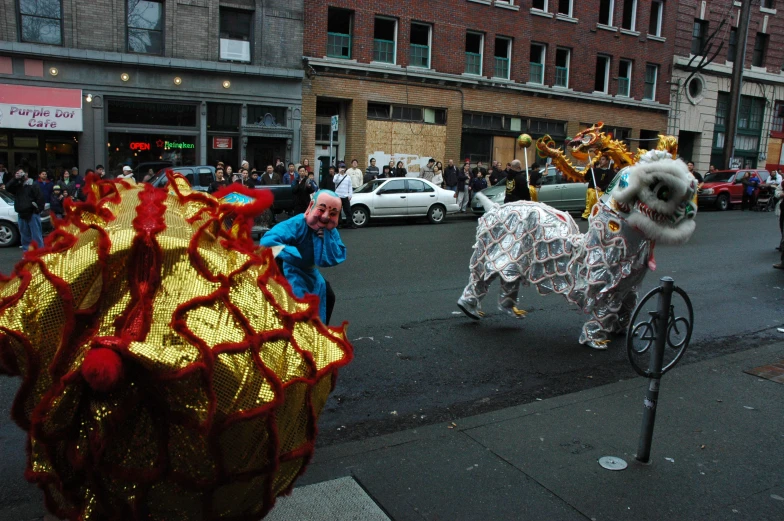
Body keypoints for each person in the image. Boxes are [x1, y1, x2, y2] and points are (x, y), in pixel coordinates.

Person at [260, 190, 346, 324]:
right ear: (311, 206)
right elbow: (267, 240)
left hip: (309, 270)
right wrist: (291, 252)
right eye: (321, 209)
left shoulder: (329, 230)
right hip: (288, 267)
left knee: (328, 296)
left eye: (333, 214)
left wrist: (327, 240)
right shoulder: (296, 224)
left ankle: (320, 331)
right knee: (297, 301)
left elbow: (340, 252)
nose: (325, 217)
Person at [6, 168, 45, 251]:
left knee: (36, 235)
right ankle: (27, 253)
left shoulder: (33, 184)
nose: (20, 174)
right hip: (21, 213)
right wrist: (15, 179)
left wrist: (38, 210)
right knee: (24, 236)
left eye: (21, 172)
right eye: (17, 172)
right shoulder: (17, 185)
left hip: (32, 213)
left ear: (26, 174)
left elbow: (40, 198)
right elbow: (7, 188)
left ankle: (40, 252)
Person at [581, 154, 614, 220]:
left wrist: (601, 188)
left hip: (602, 193)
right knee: (592, 195)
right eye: (600, 159)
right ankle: (588, 214)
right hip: (592, 191)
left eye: (603, 159)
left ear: (607, 161)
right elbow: (586, 178)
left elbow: (610, 184)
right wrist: (589, 169)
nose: (601, 161)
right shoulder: (594, 170)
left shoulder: (610, 172)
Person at [332, 164, 354, 228]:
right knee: (338, 210)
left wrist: (350, 195)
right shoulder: (336, 176)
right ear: (338, 168)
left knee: (348, 210)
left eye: (343, 167)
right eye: (341, 167)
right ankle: (339, 224)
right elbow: (334, 181)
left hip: (345, 196)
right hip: (338, 196)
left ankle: (349, 224)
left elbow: (350, 186)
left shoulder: (348, 177)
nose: (342, 169)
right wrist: (339, 173)